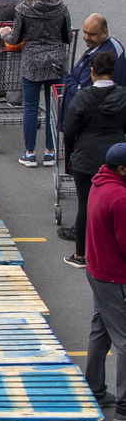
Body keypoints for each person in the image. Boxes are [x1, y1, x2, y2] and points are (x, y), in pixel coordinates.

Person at [0, 0, 73, 168]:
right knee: (53, 107)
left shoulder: (24, 8)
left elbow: (15, 39)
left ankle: (30, 153)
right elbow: (68, 37)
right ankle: (50, 151)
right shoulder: (61, 8)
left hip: (32, 61)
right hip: (55, 62)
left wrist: (4, 33)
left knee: (31, 107)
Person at [63, 51, 126, 268]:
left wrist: (69, 159)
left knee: (85, 206)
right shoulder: (123, 95)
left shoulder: (83, 97)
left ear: (91, 72)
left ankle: (81, 255)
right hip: (118, 160)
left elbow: (70, 129)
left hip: (87, 159)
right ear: (113, 72)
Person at [85, 143, 126, 417]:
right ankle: (124, 408)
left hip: (96, 269)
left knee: (101, 332)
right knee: (124, 340)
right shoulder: (120, 198)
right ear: (122, 169)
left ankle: (95, 390)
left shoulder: (99, 183)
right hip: (115, 276)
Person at [63, 15, 126, 136]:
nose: (86, 37)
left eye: (91, 34)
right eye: (85, 32)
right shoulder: (116, 45)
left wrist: (65, 77)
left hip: (93, 126)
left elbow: (82, 91)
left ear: (104, 32)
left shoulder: (99, 58)